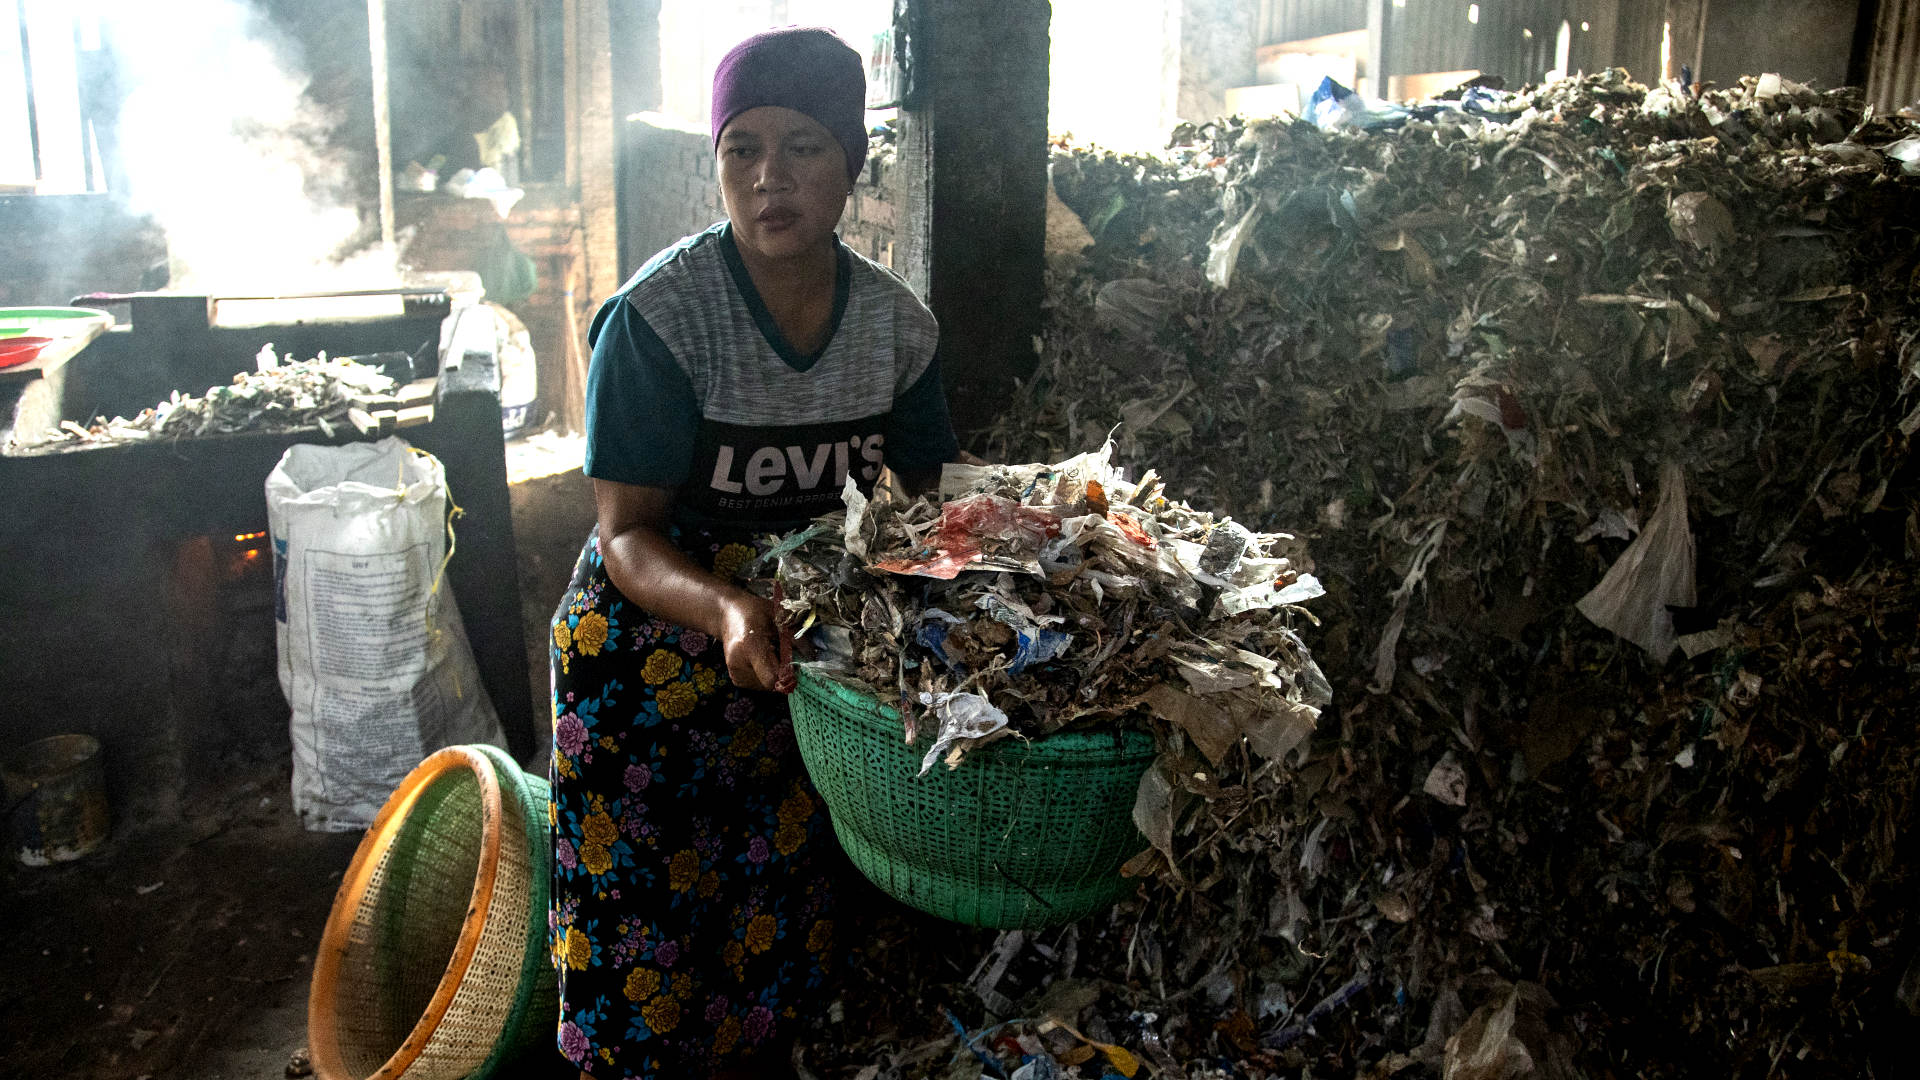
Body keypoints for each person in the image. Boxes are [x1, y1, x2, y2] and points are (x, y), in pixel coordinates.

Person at [547, 27, 958, 1080]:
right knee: (644, 912)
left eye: (804, 147)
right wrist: (727, 608)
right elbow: (626, 534)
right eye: (742, 150)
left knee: (777, 896)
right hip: (654, 641)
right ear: (717, 166)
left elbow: (912, 509)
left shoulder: (897, 332)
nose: (770, 177)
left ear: (854, 163)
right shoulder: (660, 320)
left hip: (803, 649)